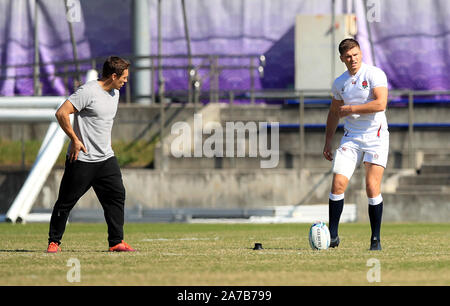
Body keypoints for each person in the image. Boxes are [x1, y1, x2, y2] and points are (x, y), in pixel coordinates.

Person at [46, 56, 135, 253]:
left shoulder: (115, 93)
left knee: (117, 195)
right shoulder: (88, 91)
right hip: (83, 159)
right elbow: (62, 113)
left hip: (106, 158)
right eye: (124, 77)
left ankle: (116, 242)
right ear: (113, 75)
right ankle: (54, 242)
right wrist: (75, 140)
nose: (126, 81)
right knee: (66, 202)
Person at [323, 38, 389, 251]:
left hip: (376, 137)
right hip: (351, 137)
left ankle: (375, 238)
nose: (353, 59)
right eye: (348, 57)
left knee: (371, 187)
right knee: (338, 184)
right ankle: (332, 236)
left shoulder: (374, 74)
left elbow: (381, 103)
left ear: (361, 54)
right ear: (342, 58)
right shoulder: (339, 82)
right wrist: (327, 141)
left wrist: (351, 109)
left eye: (356, 55)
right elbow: (334, 113)